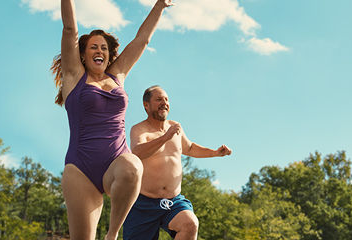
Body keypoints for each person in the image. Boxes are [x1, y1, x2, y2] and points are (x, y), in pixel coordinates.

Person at [51, 0, 173, 239]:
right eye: (94, 47)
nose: (100, 51)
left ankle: (112, 234)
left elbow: (142, 40)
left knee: (133, 167)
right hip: (80, 169)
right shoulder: (74, 76)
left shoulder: (117, 75)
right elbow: (69, 30)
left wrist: (159, 5)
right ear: (83, 55)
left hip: (116, 161)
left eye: (104, 48)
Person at [125, 86, 233, 240]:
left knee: (190, 224)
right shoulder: (139, 130)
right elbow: (137, 152)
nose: (164, 103)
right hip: (144, 203)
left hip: (173, 201)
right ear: (146, 105)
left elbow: (189, 148)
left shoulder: (175, 127)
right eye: (159, 99)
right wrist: (165, 138)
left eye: (166, 99)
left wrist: (215, 153)